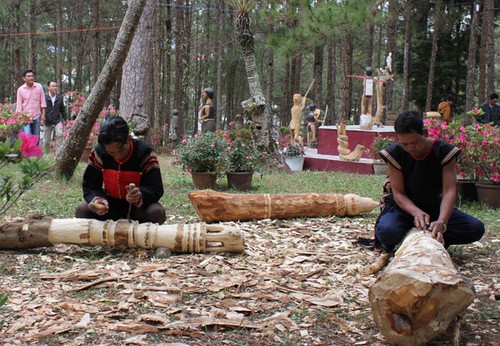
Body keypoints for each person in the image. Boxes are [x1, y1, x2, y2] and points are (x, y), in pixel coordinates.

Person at [375, 111, 484, 252]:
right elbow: (399, 194)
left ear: (425, 133)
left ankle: (431, 235)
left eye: (414, 143)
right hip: (404, 209)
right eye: (404, 144)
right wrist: (416, 212)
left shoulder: (443, 152)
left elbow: (449, 191)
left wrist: (442, 222)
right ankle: (413, 235)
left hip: (433, 208)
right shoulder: (394, 154)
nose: (409, 148)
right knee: (387, 232)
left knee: (475, 228)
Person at [75, 117, 166, 224]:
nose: (117, 156)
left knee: (156, 212)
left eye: (121, 150)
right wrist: (98, 201)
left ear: (129, 139)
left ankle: (144, 238)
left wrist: (140, 194)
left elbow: (156, 188)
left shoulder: (144, 153)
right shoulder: (99, 153)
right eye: (111, 153)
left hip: (138, 208)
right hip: (109, 207)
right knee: (82, 210)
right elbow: (90, 185)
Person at [16, 69, 46, 138]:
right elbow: (19, 106)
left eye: (32, 76)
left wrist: (43, 115)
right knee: (28, 136)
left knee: (36, 138)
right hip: (25, 118)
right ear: (24, 78)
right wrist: (19, 119)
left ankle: (35, 149)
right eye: (29, 76)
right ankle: (28, 149)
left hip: (37, 116)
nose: (31, 78)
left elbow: (43, 102)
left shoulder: (39, 87)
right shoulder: (20, 90)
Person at [42, 80, 67, 154]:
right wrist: (42, 118)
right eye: (53, 86)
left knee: (59, 135)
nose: (55, 87)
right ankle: (46, 155)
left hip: (57, 120)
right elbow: (41, 108)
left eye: (56, 86)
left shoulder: (60, 97)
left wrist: (65, 119)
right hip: (47, 120)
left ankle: (58, 154)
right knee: (46, 140)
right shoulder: (44, 97)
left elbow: (62, 108)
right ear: (48, 88)